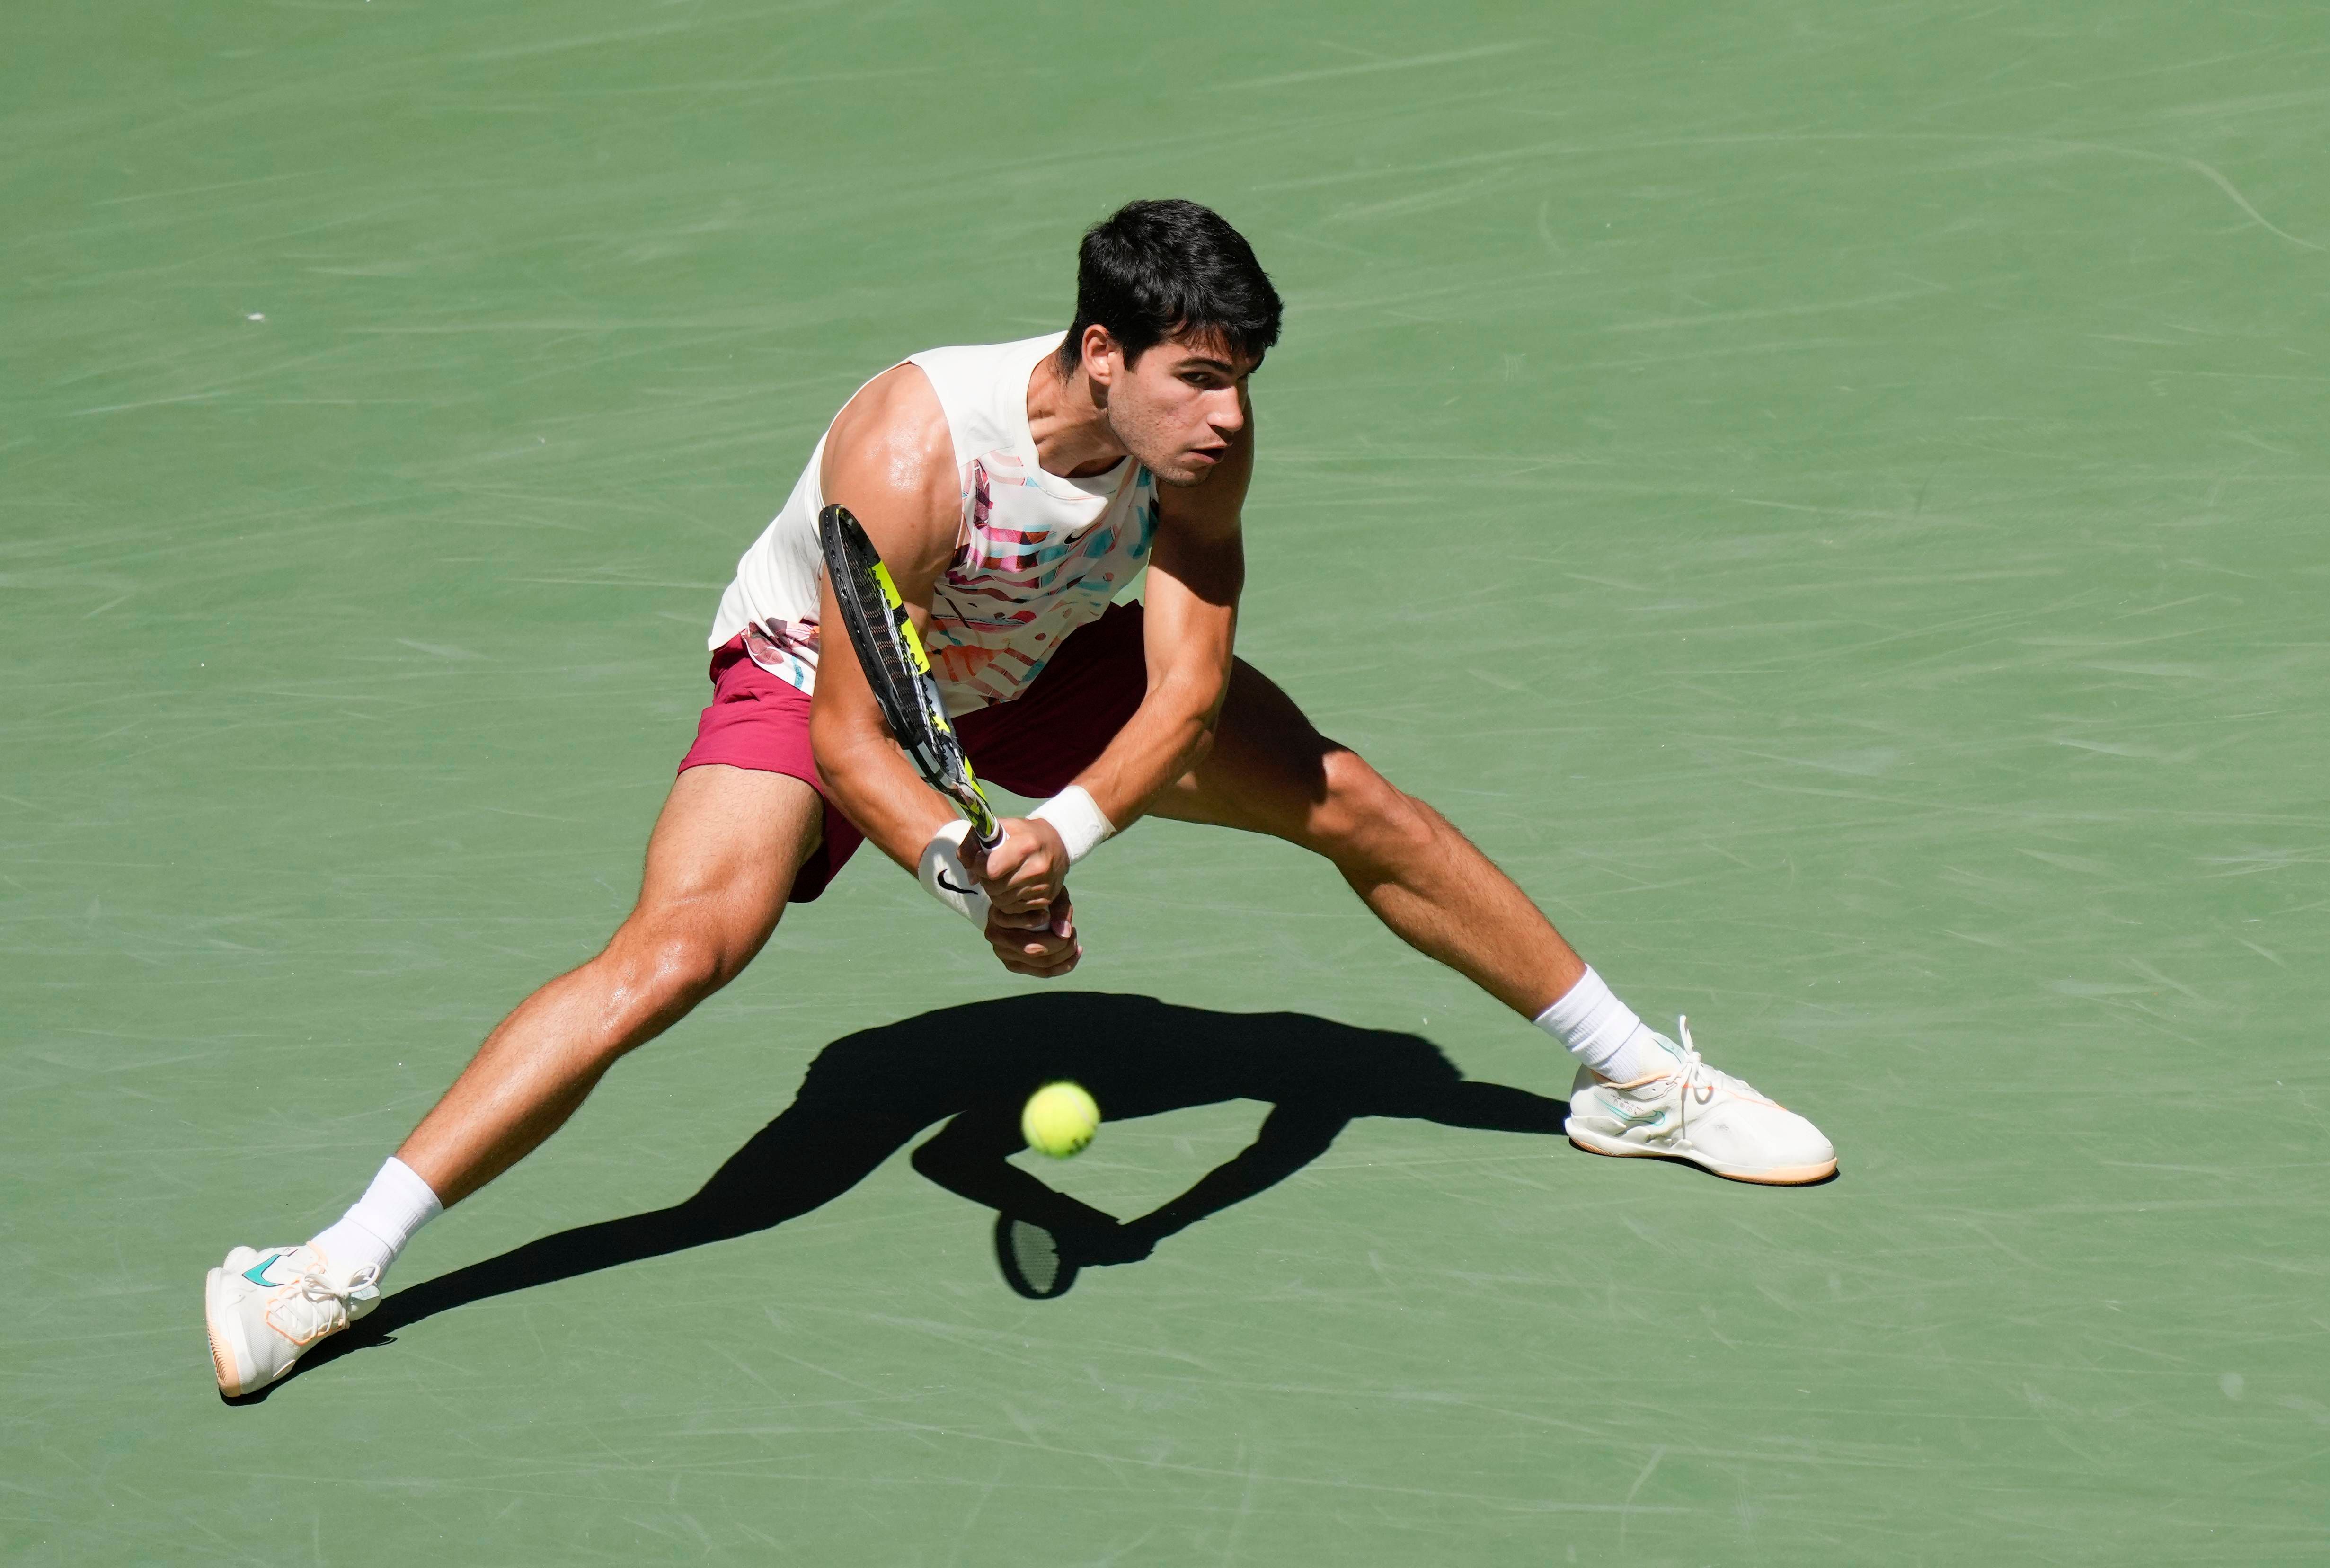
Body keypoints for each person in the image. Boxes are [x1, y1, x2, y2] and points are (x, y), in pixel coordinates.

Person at [203, 198, 1835, 1399]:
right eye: (1197, 376)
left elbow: (1185, 687)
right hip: (818, 675)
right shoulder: (914, 449)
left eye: (1246, 376)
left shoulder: (1201, 451)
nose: (1229, 414)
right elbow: (858, 739)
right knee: (680, 950)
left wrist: (1059, 833)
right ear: (1099, 352)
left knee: (1356, 802)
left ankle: (1635, 1083)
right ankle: (324, 1270)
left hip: (1049, 653)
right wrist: (965, 866)